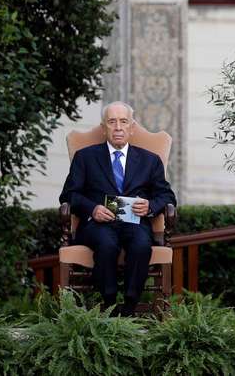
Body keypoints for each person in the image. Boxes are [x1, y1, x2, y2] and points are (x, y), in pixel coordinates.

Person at [59, 101, 176, 316]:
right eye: (112, 122)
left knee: (141, 245)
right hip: (98, 224)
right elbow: (68, 196)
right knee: (106, 244)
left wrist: (151, 206)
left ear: (132, 128)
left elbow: (167, 196)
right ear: (104, 128)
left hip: (135, 222)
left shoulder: (150, 161)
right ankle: (110, 304)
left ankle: (130, 306)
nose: (118, 127)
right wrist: (92, 208)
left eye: (123, 122)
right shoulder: (85, 157)